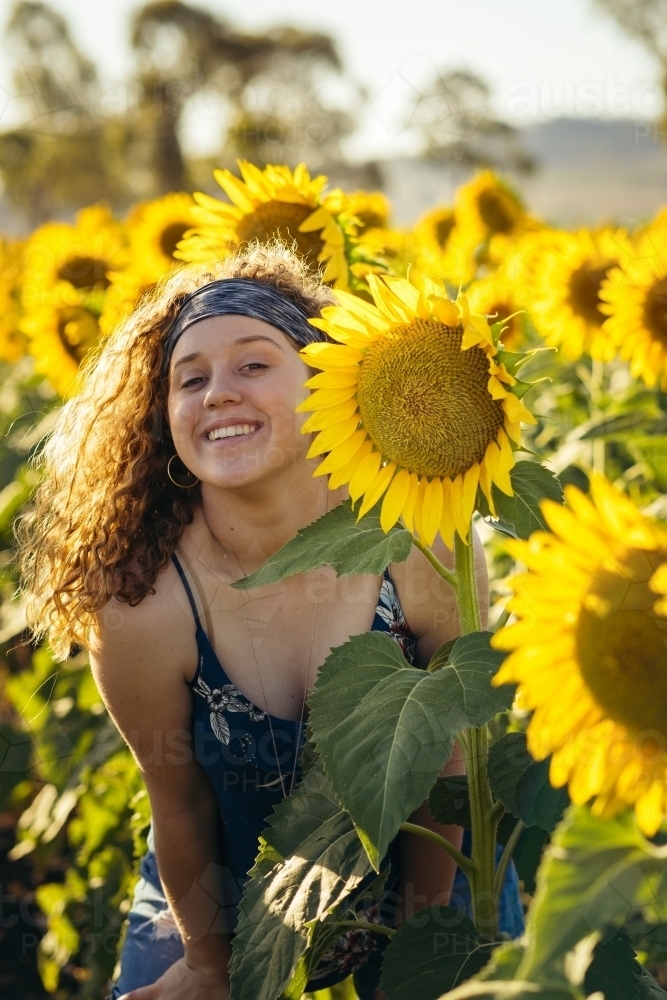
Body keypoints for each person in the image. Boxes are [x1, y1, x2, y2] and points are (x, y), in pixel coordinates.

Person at [18, 242, 522, 1000]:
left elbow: (450, 769)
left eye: (253, 364)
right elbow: (180, 803)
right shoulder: (144, 605)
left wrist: (422, 956)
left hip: (435, 872)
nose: (218, 392)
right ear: (164, 420)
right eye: (191, 380)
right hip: (225, 901)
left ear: (326, 384)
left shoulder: (419, 535)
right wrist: (215, 969)